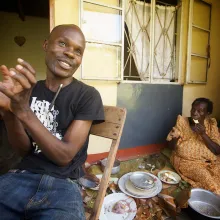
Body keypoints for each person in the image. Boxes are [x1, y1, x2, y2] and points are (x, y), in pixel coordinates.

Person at [0, 24, 104, 219]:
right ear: (46, 45)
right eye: (63, 43)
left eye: (78, 51)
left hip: (64, 185)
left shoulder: (88, 96)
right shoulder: (28, 90)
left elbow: (64, 156)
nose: (71, 54)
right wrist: (9, 113)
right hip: (21, 176)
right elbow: (24, 150)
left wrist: (23, 111)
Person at [167, 98, 220, 195]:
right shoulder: (182, 122)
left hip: (212, 162)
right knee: (211, 184)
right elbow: (171, 147)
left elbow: (217, 151)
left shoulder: (211, 125)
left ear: (207, 114)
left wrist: (203, 134)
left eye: (200, 111)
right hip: (189, 163)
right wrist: (175, 137)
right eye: (193, 109)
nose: (194, 113)